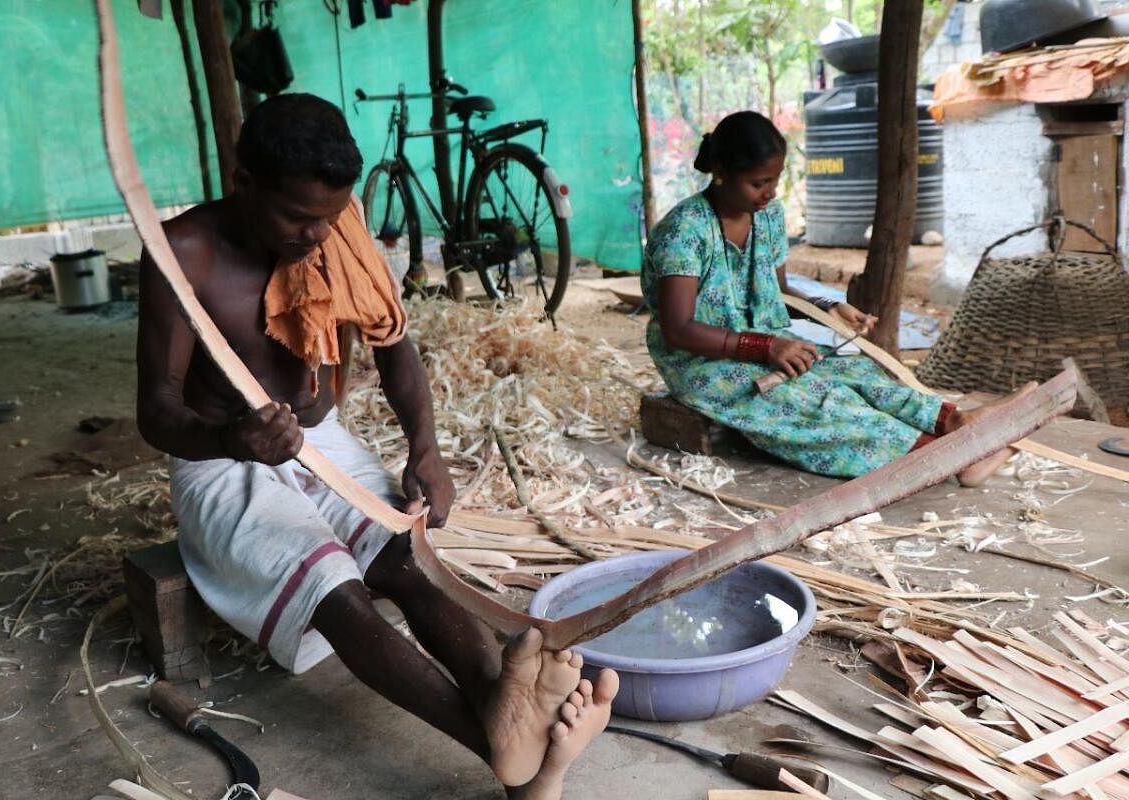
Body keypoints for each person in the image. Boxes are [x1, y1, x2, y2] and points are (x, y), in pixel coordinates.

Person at [136, 93, 617, 798]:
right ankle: (497, 740)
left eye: (328, 216)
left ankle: (502, 700)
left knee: (405, 558)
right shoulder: (185, 254)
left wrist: (425, 449)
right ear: (243, 184)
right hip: (222, 463)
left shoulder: (340, 229)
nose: (315, 235)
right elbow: (155, 412)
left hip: (320, 438)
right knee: (335, 586)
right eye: (297, 217)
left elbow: (396, 347)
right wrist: (229, 435)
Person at [641, 111, 1029, 484]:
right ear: (722, 173)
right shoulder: (684, 232)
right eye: (759, 182)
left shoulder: (768, 216)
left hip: (765, 345)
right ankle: (951, 459)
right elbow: (679, 330)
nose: (770, 193)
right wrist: (766, 346)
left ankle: (954, 422)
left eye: (775, 180)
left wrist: (829, 310)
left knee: (855, 371)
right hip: (702, 364)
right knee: (815, 404)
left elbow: (776, 292)